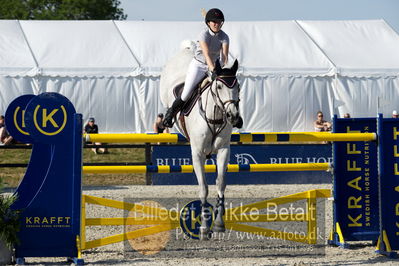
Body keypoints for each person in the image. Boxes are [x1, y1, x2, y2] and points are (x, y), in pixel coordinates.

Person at [163, 8, 243, 128]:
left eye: (219, 22)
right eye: (214, 22)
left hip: (215, 67)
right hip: (199, 66)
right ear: (208, 23)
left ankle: (235, 116)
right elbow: (206, 54)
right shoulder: (203, 35)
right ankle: (170, 114)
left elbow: (225, 57)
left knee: (227, 89)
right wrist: (213, 70)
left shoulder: (224, 36)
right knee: (186, 93)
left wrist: (223, 70)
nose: (217, 24)